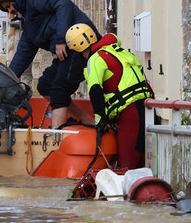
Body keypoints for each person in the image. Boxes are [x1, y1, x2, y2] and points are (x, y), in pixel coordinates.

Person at [0, 0, 99, 129]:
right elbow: (23, 55)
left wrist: (60, 39)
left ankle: (56, 136)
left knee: (59, 89)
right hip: (66, 51)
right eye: (7, 9)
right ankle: (87, 120)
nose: (10, 11)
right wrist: (7, 80)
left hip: (79, 44)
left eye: (9, 6)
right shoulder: (29, 23)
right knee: (45, 86)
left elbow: (63, 4)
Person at [65, 23, 153, 169]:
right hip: (145, 109)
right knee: (140, 164)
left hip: (131, 114)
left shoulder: (94, 60)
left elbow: (95, 91)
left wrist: (100, 121)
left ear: (77, 50)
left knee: (125, 168)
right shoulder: (114, 50)